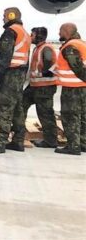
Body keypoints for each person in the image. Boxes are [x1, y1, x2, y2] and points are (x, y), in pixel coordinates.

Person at [0, 7, 30, 154]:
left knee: (4, 108)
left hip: (10, 74)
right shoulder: (25, 33)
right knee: (18, 108)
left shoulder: (10, 32)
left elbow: (4, 57)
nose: (3, 18)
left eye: (4, 15)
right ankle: (18, 141)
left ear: (11, 16)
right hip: (20, 74)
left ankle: (1, 142)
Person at [12, 27, 58, 148]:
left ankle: (51, 141)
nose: (30, 37)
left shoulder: (46, 48)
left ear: (39, 36)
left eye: (32, 35)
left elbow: (49, 62)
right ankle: (18, 132)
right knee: (21, 105)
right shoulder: (38, 48)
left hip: (44, 87)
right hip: (35, 85)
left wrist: (43, 73)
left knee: (45, 114)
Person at [54, 22, 86, 155]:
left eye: (60, 31)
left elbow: (77, 67)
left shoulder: (70, 46)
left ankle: (73, 146)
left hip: (72, 88)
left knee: (70, 116)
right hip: (82, 88)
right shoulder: (82, 43)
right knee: (82, 116)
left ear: (67, 32)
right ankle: (83, 143)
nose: (59, 33)